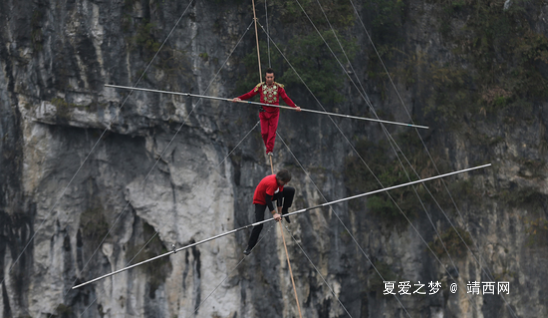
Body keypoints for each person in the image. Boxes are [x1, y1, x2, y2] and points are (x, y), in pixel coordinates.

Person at [233, 68, 301, 156]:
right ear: (265, 77)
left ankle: (269, 150)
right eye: (268, 77)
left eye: (271, 77)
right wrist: (239, 98)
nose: (269, 79)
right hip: (264, 113)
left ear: (274, 77)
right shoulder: (260, 87)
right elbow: (250, 94)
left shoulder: (279, 88)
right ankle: (267, 146)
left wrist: (295, 107)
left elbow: (286, 98)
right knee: (264, 133)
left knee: (272, 133)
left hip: (274, 114)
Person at [244, 169, 295, 255]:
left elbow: (279, 196)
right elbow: (267, 200)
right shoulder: (272, 183)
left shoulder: (280, 183)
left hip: (270, 196)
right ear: (280, 179)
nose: (286, 184)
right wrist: (274, 214)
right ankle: (249, 247)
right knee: (259, 224)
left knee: (291, 190)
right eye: (285, 181)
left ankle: (285, 210)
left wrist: (280, 212)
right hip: (260, 200)